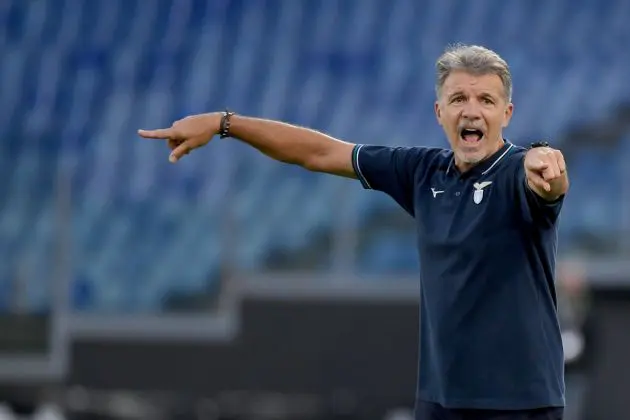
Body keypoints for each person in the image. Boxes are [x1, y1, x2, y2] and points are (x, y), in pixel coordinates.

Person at [138, 44, 569, 420]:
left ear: (506, 113)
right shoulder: (422, 172)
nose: (471, 110)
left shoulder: (517, 172)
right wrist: (223, 123)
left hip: (518, 403)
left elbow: (547, 183)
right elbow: (320, 152)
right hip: (442, 401)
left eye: (486, 100)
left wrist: (547, 171)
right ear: (439, 112)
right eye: (458, 98)